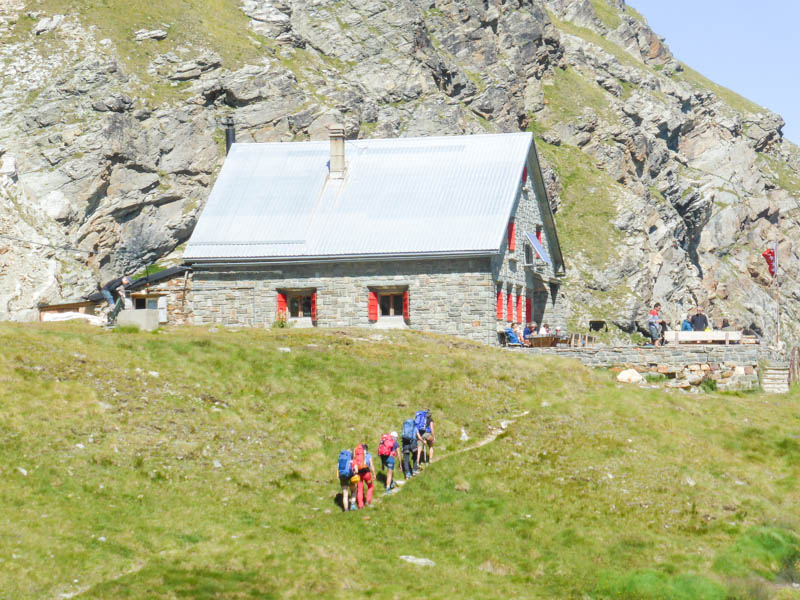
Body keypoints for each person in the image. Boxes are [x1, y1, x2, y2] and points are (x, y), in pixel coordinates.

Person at [354, 443, 376, 509]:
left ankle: (360, 505)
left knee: (360, 489)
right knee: (370, 486)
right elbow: (371, 465)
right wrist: (374, 473)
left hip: (359, 474)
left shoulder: (357, 456)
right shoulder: (368, 455)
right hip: (367, 473)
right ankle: (368, 501)